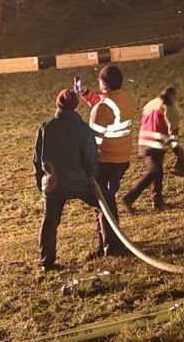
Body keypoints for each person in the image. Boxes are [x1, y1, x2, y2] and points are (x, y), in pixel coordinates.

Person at [33, 88, 100, 271]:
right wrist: (92, 176)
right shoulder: (83, 129)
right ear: (76, 106)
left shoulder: (46, 128)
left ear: (58, 105)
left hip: (53, 183)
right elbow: (90, 157)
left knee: (50, 221)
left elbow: (37, 159)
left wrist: (41, 182)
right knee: (102, 207)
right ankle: (106, 244)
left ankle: (46, 261)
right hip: (80, 182)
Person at [80, 63, 138, 257]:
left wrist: (85, 163)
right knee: (107, 200)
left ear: (104, 84)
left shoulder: (103, 108)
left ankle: (110, 246)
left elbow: (93, 142)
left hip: (105, 160)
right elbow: (103, 105)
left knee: (103, 203)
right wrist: (85, 93)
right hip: (121, 157)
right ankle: (110, 242)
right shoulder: (123, 98)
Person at [122, 84, 179, 213]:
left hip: (144, 142)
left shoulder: (151, 104)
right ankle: (129, 197)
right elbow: (173, 127)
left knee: (157, 172)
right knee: (153, 172)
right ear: (171, 96)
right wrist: (176, 147)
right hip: (156, 144)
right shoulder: (167, 106)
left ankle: (158, 202)